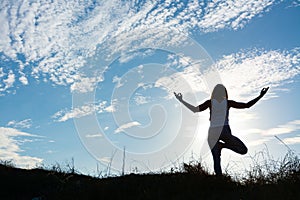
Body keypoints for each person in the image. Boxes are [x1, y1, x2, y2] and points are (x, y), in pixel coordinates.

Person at [174, 84, 269, 175]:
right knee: (243, 150)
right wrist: (260, 96)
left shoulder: (210, 103)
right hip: (224, 131)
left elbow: (195, 109)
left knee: (216, 159)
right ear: (225, 93)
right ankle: (223, 146)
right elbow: (247, 105)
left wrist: (181, 100)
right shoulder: (228, 103)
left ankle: (220, 178)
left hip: (212, 133)